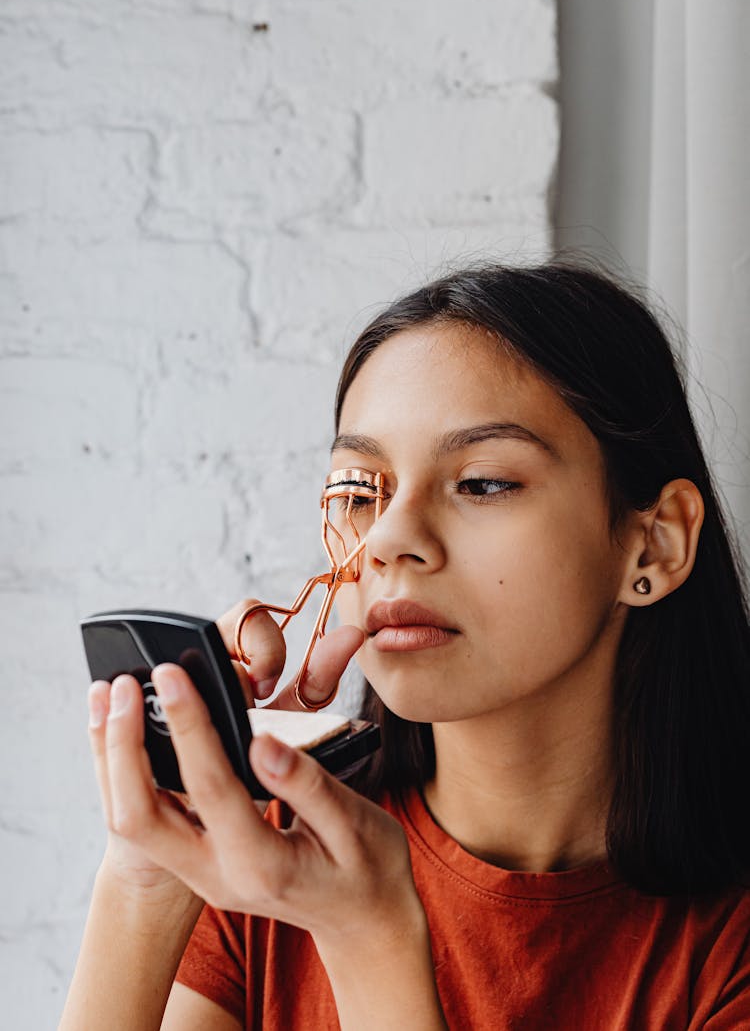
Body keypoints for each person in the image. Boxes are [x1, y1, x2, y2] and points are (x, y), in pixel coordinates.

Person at [60, 261, 750, 1030]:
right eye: (359, 490)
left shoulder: (726, 946)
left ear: (652, 545)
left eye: (482, 482)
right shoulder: (275, 860)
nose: (388, 538)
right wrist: (149, 872)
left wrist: (370, 935)